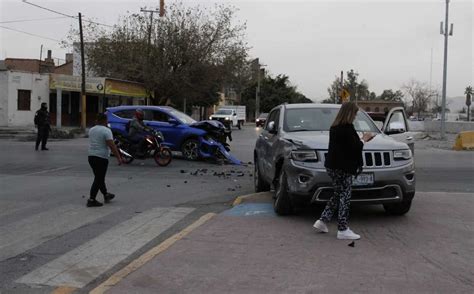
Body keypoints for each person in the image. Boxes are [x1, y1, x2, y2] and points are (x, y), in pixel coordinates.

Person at [313, 102, 374, 240]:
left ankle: (322, 221)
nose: (355, 117)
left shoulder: (335, 127)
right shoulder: (347, 128)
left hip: (332, 166)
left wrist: (359, 140)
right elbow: (355, 147)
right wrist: (364, 139)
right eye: (354, 114)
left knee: (338, 193)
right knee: (345, 196)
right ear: (349, 113)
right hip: (343, 168)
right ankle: (342, 228)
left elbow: (346, 146)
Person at [87, 113, 123, 207]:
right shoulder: (106, 131)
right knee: (99, 178)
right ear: (104, 120)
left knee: (99, 177)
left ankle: (106, 194)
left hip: (91, 156)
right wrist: (119, 157)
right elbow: (111, 145)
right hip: (101, 157)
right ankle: (91, 199)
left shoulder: (91, 129)